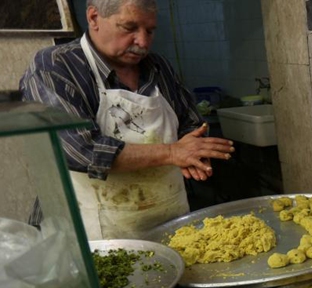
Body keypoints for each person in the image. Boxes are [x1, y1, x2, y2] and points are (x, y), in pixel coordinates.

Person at [20, 0, 234, 240]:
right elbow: (79, 151)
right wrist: (173, 153)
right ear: (93, 18)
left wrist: (196, 152)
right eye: (129, 27)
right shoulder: (56, 66)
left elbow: (191, 123)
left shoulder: (158, 67)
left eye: (150, 30)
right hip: (90, 235)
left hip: (167, 221)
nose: (142, 42)